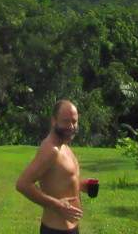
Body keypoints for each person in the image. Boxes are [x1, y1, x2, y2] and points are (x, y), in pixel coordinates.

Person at [16, 100, 94, 234]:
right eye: (66, 121)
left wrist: (79, 186)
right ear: (54, 121)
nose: (71, 126)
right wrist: (56, 205)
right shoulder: (50, 150)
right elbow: (22, 184)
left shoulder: (64, 145)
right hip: (56, 230)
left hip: (70, 228)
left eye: (74, 122)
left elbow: (58, 180)